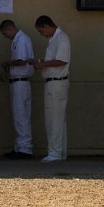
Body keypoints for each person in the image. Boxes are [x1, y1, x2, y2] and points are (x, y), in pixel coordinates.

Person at [31, 15, 70, 163]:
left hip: (57, 83)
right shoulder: (53, 40)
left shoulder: (62, 38)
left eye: (42, 31)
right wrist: (41, 62)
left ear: (47, 26)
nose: (42, 34)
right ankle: (60, 151)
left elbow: (62, 60)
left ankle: (55, 152)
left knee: (55, 119)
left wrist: (42, 65)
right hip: (51, 81)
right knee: (55, 118)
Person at [0, 19, 35, 159]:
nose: (5, 37)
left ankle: (25, 147)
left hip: (21, 82)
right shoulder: (18, 40)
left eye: (5, 34)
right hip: (16, 81)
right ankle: (20, 145)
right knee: (18, 115)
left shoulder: (22, 40)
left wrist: (7, 62)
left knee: (22, 115)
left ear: (9, 29)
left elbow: (21, 60)